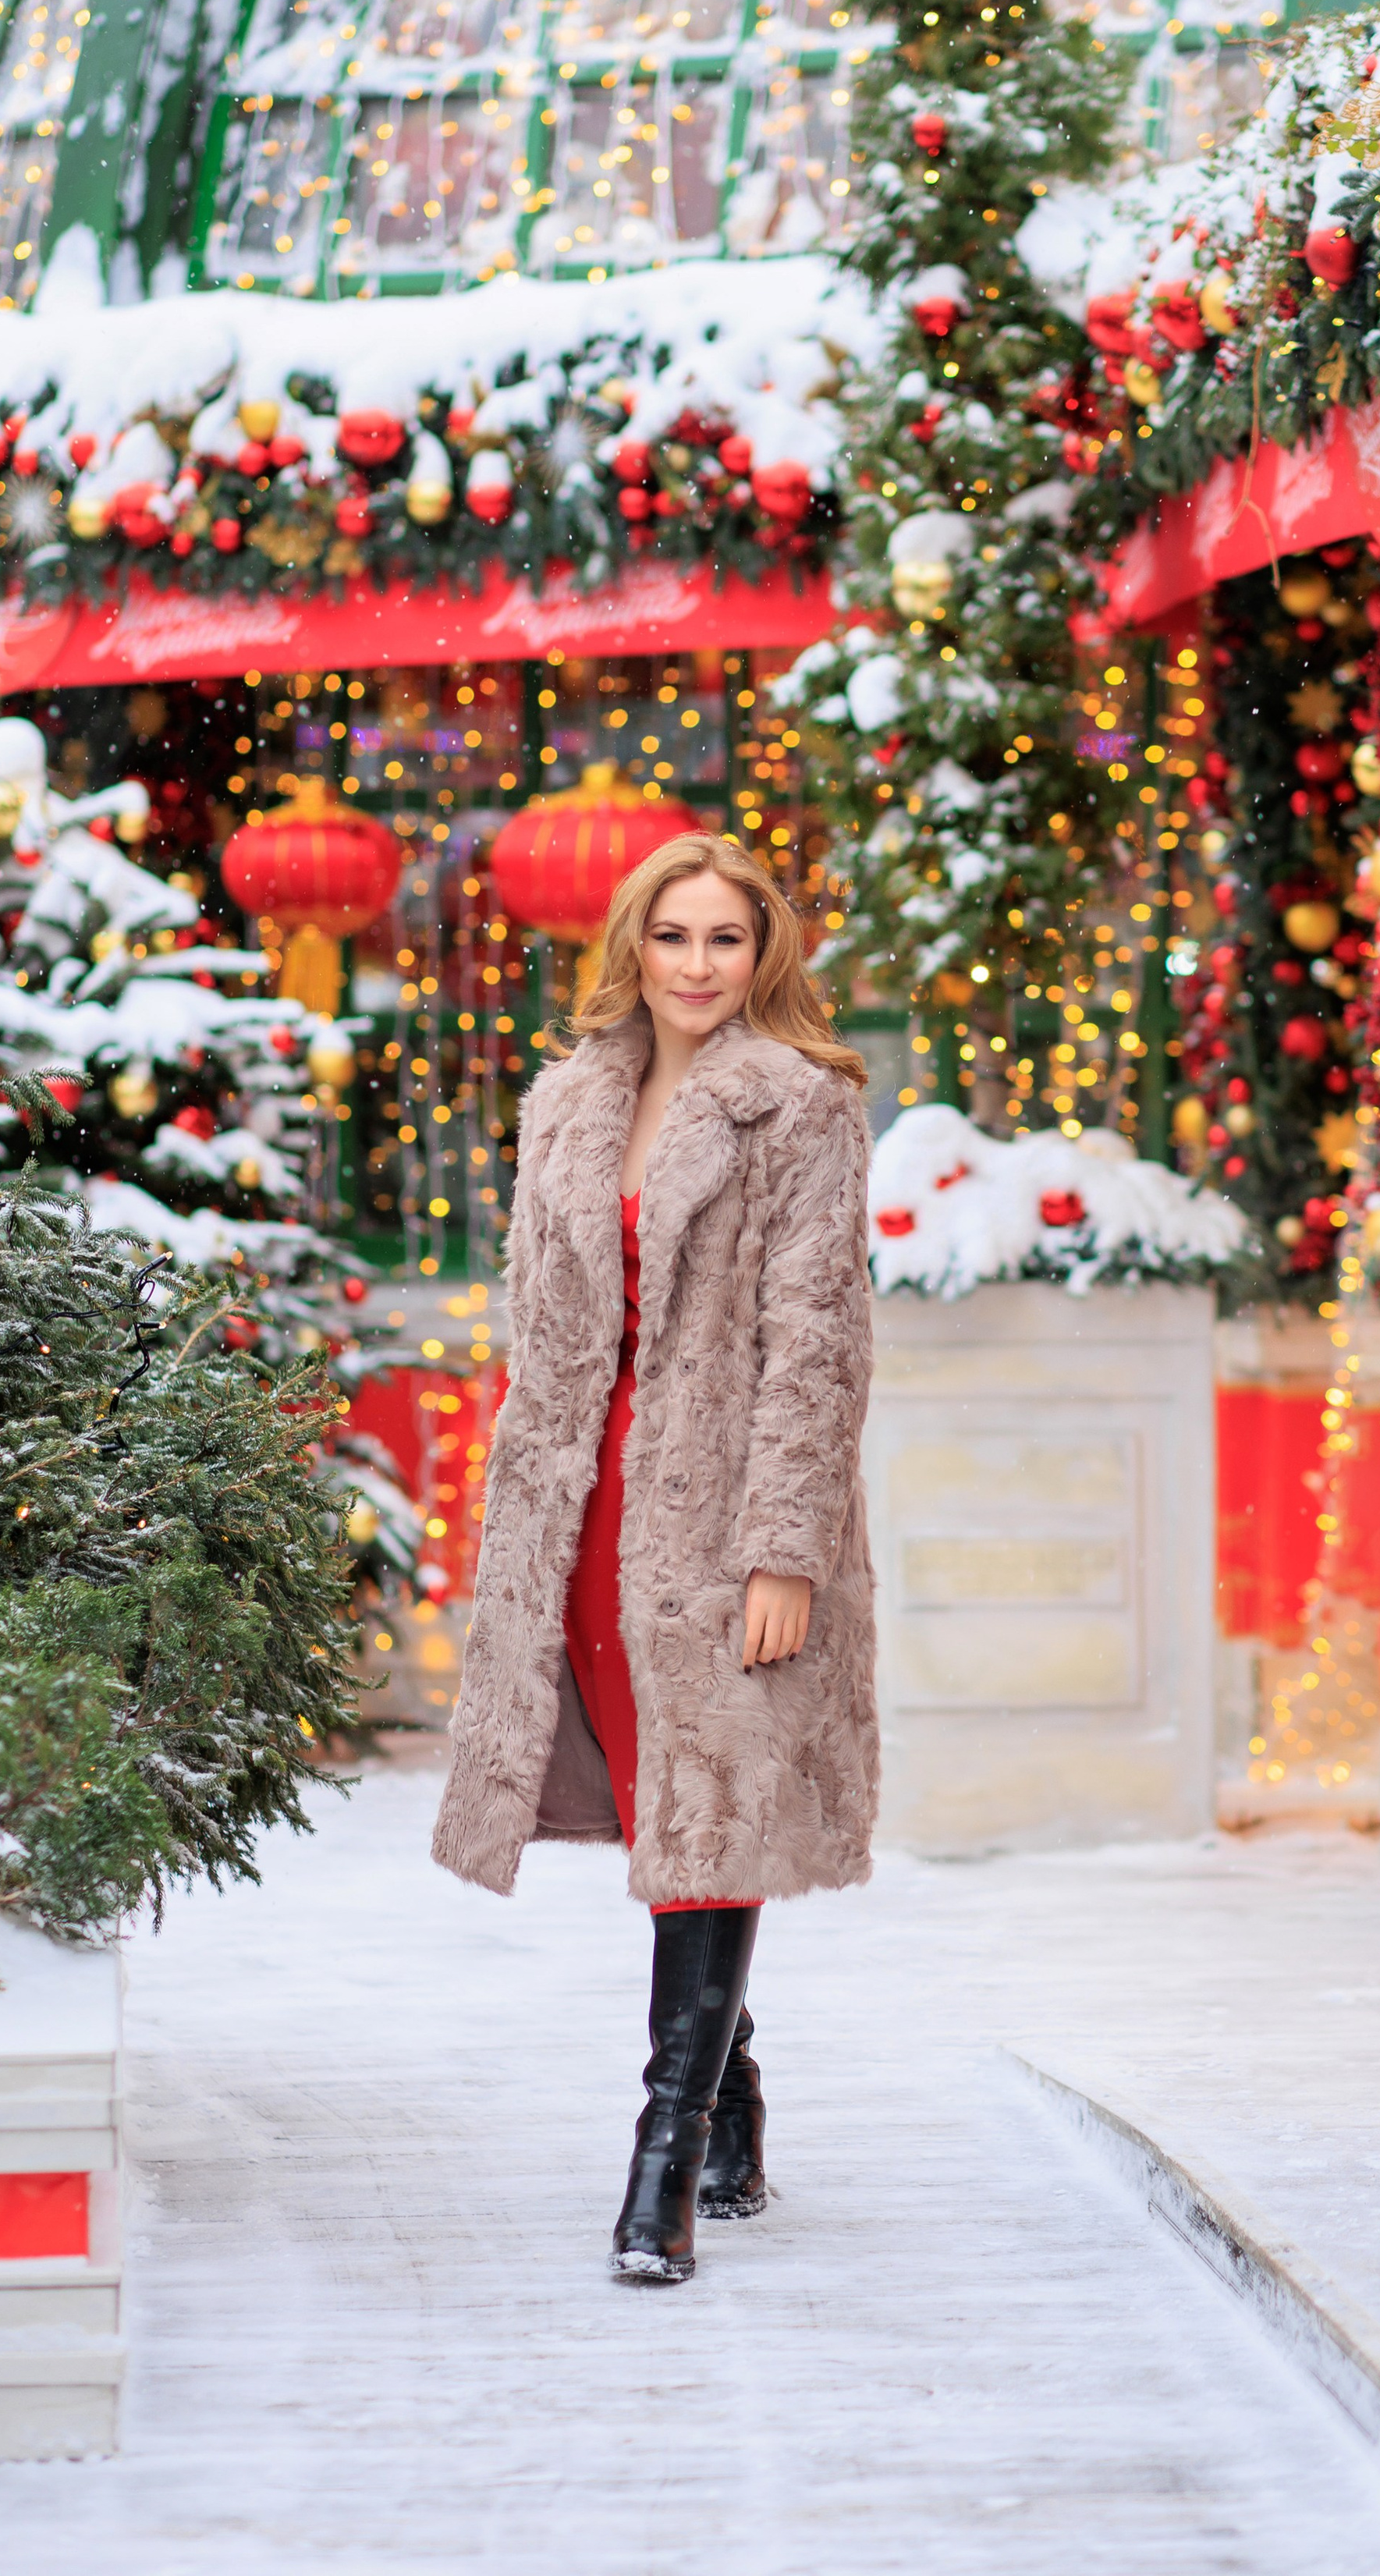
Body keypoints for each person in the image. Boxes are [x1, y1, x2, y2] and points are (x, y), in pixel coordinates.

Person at [433, 831, 879, 2283]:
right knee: (664, 1809)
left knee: (708, 1803)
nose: (698, 966)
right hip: (584, 1505)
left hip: (724, 1505)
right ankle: (738, 2103)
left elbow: (818, 1347)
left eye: (725, 941)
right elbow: (537, 1330)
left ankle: (663, 2158)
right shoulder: (566, 1105)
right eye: (674, 938)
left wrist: (785, 1551)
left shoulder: (801, 1111)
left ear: (765, 958)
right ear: (633, 947)